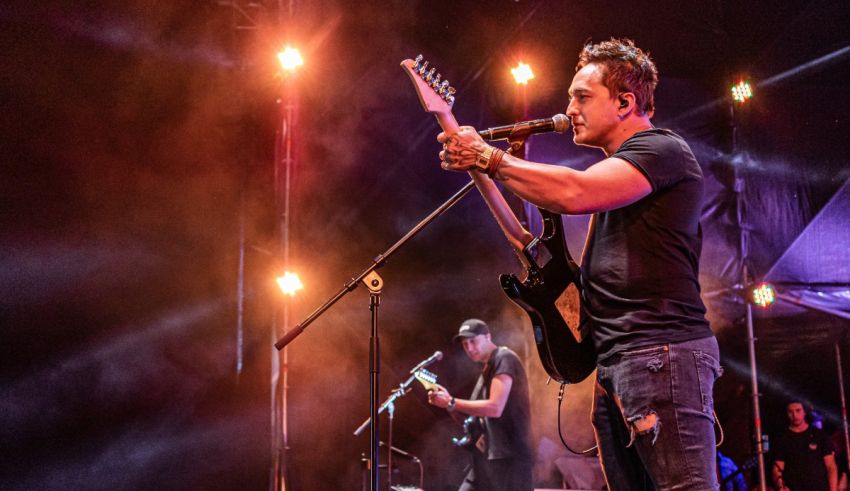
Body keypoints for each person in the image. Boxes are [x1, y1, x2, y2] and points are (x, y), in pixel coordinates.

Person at [437, 38, 721, 489]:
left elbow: (573, 192)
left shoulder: (662, 149)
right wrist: (478, 166)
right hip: (620, 363)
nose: (569, 108)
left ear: (626, 102)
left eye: (582, 96)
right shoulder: (620, 176)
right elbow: (526, 241)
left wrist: (489, 157)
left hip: (660, 356)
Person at [427, 318, 533, 491]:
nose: (469, 348)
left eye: (473, 341)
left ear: (488, 337)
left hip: (510, 459)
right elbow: (473, 421)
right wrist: (448, 405)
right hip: (488, 458)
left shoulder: (504, 357)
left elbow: (495, 408)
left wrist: (452, 401)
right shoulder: (486, 371)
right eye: (465, 344)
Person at [772, 401, 838, 491]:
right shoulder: (782, 438)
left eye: (798, 410)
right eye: (790, 412)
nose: (794, 415)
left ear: (804, 412)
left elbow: (831, 466)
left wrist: (833, 489)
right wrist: (780, 486)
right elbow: (778, 468)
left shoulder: (819, 435)